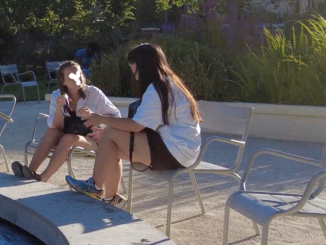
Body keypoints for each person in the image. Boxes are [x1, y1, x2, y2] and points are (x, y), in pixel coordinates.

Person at [65, 43, 202, 206]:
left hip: (176, 152)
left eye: (132, 63)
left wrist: (100, 119)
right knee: (109, 142)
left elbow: (136, 126)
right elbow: (143, 126)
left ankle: (95, 187)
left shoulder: (158, 88)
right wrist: (109, 132)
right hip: (181, 149)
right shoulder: (168, 83)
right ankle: (111, 198)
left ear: (141, 64)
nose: (131, 67)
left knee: (109, 135)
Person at [11, 60, 119, 182]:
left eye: (78, 75)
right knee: (51, 132)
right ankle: (30, 172)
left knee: (69, 138)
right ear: (63, 81)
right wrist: (59, 108)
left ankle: (42, 178)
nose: (77, 79)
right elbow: (56, 127)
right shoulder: (57, 95)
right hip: (66, 134)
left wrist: (95, 116)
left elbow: (115, 115)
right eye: (71, 77)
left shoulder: (93, 93)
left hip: (91, 139)